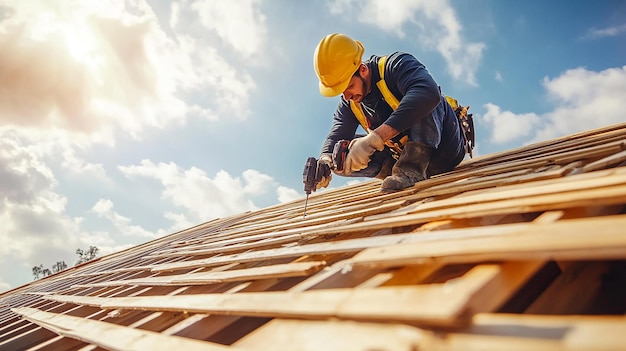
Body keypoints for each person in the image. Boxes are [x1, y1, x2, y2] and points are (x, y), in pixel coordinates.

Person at [313, 33, 467, 192]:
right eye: (341, 91)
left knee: (424, 97)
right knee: (342, 153)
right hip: (397, 158)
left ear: (363, 69)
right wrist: (325, 161)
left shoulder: (396, 65)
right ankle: (397, 172)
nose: (346, 96)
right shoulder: (350, 101)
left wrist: (375, 138)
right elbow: (338, 131)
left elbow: (428, 92)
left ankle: (410, 170)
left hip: (444, 153)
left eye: (349, 86)